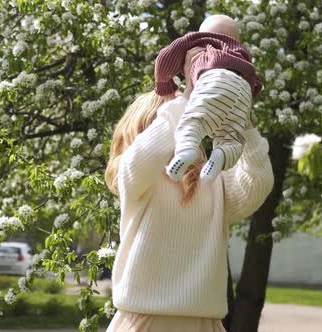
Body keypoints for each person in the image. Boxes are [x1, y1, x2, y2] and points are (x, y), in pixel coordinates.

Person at [103, 46, 274, 331]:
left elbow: (258, 181)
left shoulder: (212, 183)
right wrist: (186, 99)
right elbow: (141, 158)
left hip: (205, 323)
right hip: (144, 321)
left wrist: (239, 114)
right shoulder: (138, 182)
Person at [154, 15, 263, 183]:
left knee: (194, 121)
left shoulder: (197, 41)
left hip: (215, 78)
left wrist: (164, 84)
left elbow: (164, 59)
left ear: (202, 33)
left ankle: (186, 150)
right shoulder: (242, 55)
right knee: (232, 138)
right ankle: (221, 155)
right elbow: (257, 84)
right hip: (243, 91)